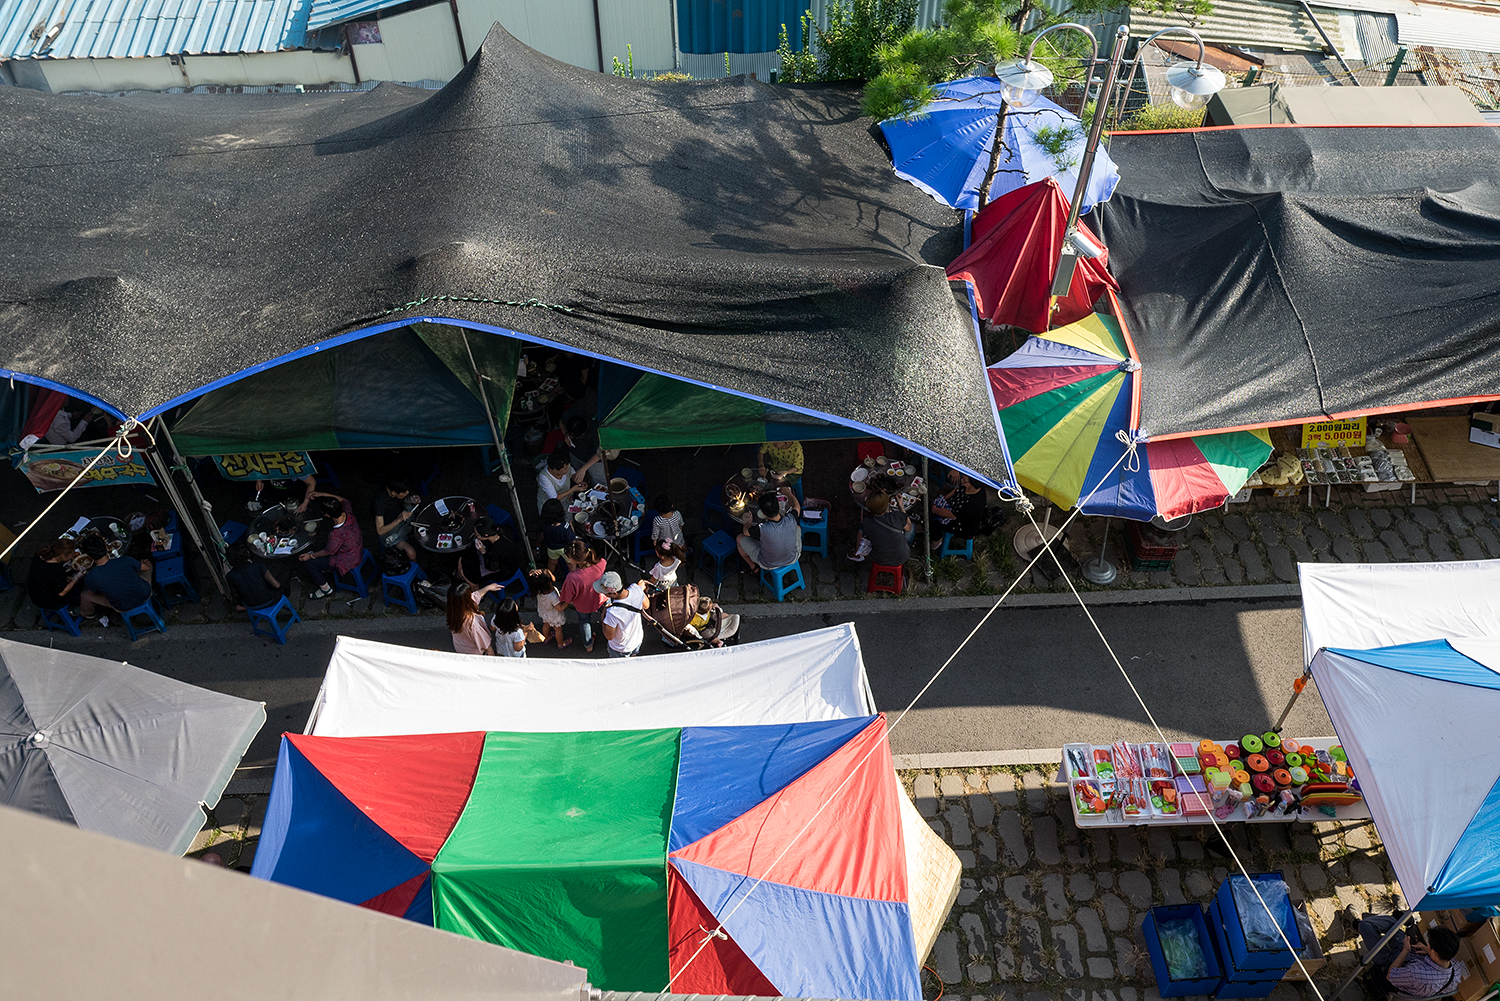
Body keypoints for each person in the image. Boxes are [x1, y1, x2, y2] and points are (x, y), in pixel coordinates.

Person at [1354, 911, 1466, 999]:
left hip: (1392, 965)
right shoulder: (1455, 968)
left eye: (1429, 945)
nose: (1427, 944)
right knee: (1395, 924)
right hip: (1412, 957)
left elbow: (1390, 975)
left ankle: (1360, 925)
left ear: (1436, 953)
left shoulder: (1416, 974)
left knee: (1365, 925)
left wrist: (1405, 951)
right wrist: (1427, 950)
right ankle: (1376, 921)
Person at [297, 493, 363, 599]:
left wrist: (310, 556)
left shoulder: (336, 534)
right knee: (320, 547)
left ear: (327, 515)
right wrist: (320, 494)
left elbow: (329, 551)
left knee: (310, 563)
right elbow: (344, 499)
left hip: (348, 558)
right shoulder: (347, 512)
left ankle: (325, 589)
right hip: (356, 546)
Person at [78, 534, 153, 620]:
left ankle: (87, 614)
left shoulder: (91, 576)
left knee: (85, 595)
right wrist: (144, 563)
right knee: (147, 565)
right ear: (106, 547)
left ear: (89, 557)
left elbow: (93, 594)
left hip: (122, 606)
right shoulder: (126, 560)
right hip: (145, 593)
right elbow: (146, 568)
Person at [556, 540, 609, 653]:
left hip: (583, 604)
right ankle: (610, 634)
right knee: (607, 616)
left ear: (575, 560)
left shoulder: (572, 577)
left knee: (585, 622)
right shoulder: (601, 564)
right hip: (601, 599)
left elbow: (568, 596)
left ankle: (588, 645)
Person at [736, 487, 801, 572]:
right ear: (778, 506)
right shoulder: (791, 518)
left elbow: (745, 532)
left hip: (767, 564)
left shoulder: (761, 529)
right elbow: (797, 506)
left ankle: (753, 567)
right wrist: (788, 493)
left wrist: (747, 523)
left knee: (739, 538)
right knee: (797, 527)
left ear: (763, 513)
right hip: (792, 558)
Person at [595, 571, 649, 658]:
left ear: (614, 593)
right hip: (637, 640)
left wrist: (603, 616)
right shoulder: (636, 589)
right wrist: (639, 590)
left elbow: (609, 636)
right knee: (634, 657)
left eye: (604, 592)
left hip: (620, 648)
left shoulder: (612, 613)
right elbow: (646, 605)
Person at [446, 580, 504, 655]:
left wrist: (487, 588)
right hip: (474, 652)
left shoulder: (453, 611)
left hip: (461, 647)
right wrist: (492, 657)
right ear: (467, 601)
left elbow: (474, 597)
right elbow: (486, 645)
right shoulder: (472, 624)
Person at [458, 517, 517, 591]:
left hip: (504, 571)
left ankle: (476, 590)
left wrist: (483, 551)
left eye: (477, 534)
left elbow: (491, 567)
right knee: (464, 559)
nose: (476, 536)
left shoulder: (496, 550)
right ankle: (461, 574)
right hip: (502, 560)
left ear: (486, 535)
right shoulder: (501, 530)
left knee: (469, 573)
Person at [859, 491, 912, 567]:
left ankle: (856, 556)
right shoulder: (897, 516)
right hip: (902, 557)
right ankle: (905, 546)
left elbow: (861, 536)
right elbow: (908, 528)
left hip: (878, 559)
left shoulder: (866, 523)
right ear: (887, 504)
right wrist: (900, 506)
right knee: (912, 527)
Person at [28, 540, 83, 611]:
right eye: (72, 554)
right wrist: (76, 578)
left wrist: (65, 578)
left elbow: (46, 575)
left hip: (35, 593)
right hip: (48, 601)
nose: (73, 555)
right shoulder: (58, 570)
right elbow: (62, 592)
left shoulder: (40, 555)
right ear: (63, 555)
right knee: (75, 589)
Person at [372, 478, 419, 561]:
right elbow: (380, 531)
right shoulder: (380, 503)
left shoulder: (393, 488)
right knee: (411, 553)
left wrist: (409, 499)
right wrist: (399, 519)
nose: (407, 493)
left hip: (403, 518)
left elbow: (400, 500)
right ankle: (416, 567)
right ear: (393, 493)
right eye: (404, 492)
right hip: (392, 530)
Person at [226, 543, 283, 612]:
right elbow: (276, 585)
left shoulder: (230, 576)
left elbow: (235, 595)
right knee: (283, 572)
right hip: (271, 600)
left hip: (251, 605)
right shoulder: (258, 566)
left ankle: (242, 607)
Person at [526, 569, 572, 649]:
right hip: (554, 616)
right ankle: (560, 644)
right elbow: (559, 608)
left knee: (546, 625)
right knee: (558, 629)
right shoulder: (552, 596)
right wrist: (567, 602)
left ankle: (546, 638)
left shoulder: (539, 591)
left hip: (544, 613)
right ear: (549, 582)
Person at [563, 415, 606, 488]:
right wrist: (566, 434)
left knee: (600, 484)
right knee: (578, 477)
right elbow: (561, 423)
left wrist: (584, 468)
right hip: (576, 454)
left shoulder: (596, 431)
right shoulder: (571, 414)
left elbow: (600, 453)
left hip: (594, 459)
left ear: (583, 433)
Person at [537, 448, 584, 513]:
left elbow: (572, 474)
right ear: (555, 469)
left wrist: (579, 482)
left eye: (567, 466)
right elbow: (555, 497)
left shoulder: (565, 465)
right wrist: (572, 490)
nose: (567, 469)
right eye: (565, 468)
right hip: (551, 506)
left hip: (566, 500)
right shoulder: (544, 477)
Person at [247, 472, 316, 514]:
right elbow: (260, 470)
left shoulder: (293, 469)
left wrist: (305, 503)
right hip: (275, 495)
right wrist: (259, 479)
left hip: (296, 500)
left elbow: (312, 483)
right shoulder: (266, 463)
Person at [539, 498, 575, 575]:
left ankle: (549, 577)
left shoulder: (544, 524)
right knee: (571, 564)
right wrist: (571, 527)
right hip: (565, 549)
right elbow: (571, 539)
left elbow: (542, 534)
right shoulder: (565, 527)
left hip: (551, 547)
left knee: (552, 562)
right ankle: (572, 577)